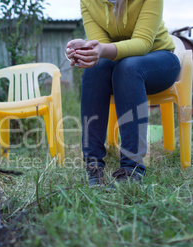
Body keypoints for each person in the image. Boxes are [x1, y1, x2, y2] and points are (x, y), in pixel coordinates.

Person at [66, 0, 181, 186]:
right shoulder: (88, 1)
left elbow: (143, 43)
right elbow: (100, 45)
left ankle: (132, 167)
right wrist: (88, 49)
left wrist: (102, 50)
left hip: (160, 61)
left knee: (128, 67)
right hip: (119, 65)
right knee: (94, 70)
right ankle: (93, 165)